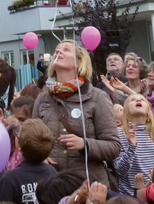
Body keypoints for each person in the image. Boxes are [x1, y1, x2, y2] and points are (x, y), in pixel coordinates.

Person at [31, 40, 120, 184]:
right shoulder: (43, 99)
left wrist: (85, 144)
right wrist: (39, 156)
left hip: (88, 185)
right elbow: (32, 139)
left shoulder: (97, 97)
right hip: (51, 184)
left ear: (79, 62)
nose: (58, 52)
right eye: (56, 50)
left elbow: (114, 147)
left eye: (66, 49)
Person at [114, 94, 154, 197]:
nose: (138, 100)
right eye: (132, 100)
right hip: (128, 196)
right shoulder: (119, 133)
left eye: (142, 99)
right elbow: (120, 171)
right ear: (126, 112)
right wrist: (132, 147)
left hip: (152, 193)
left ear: (148, 113)